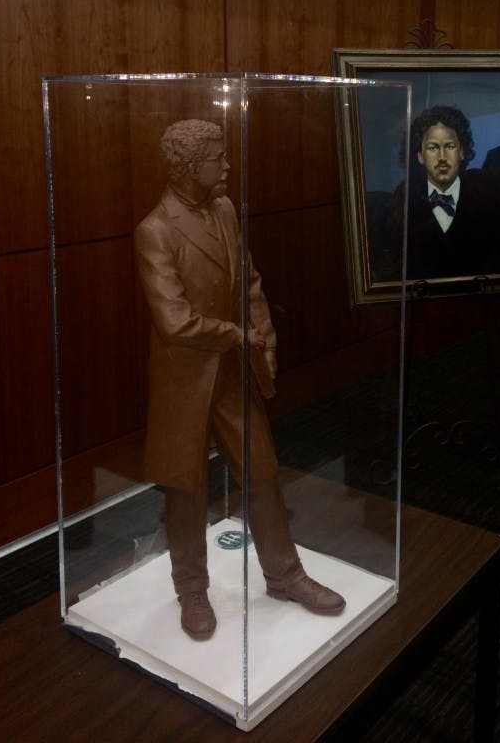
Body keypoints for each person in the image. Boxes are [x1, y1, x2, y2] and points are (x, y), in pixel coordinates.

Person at [134, 119, 345, 640]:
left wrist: (263, 336)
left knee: (263, 471)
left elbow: (248, 278)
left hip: (231, 374)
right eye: (218, 158)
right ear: (188, 166)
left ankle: (284, 574)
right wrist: (237, 334)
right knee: (186, 486)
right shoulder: (155, 230)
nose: (227, 166)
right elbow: (175, 321)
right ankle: (191, 589)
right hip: (186, 380)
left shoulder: (225, 209)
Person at [399, 105, 500, 281]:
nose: (442, 156)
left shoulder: (489, 196)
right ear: (419, 156)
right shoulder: (403, 202)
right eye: (432, 147)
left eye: (449, 146)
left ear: (462, 151)